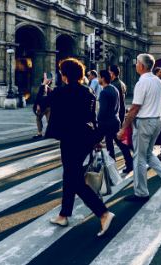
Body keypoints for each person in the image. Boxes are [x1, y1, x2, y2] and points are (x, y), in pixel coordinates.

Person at [42, 59, 115, 236]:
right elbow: (93, 117)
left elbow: (42, 102)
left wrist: (44, 85)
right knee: (70, 174)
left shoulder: (61, 91)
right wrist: (96, 139)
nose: (60, 73)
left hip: (70, 138)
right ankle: (63, 215)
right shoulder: (88, 90)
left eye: (61, 71)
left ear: (65, 74)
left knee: (74, 179)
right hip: (85, 137)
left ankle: (103, 213)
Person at [116, 54, 161, 202]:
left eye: (136, 63)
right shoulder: (158, 81)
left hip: (144, 122)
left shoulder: (142, 83)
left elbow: (135, 108)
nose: (135, 65)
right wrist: (151, 103)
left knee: (138, 159)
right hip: (157, 121)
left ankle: (141, 193)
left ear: (141, 66)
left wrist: (123, 128)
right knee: (148, 154)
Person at [96, 70, 133, 172]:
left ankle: (108, 164)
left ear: (103, 78)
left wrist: (97, 119)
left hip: (105, 123)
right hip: (115, 121)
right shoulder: (115, 89)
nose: (99, 79)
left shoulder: (104, 92)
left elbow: (102, 110)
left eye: (99, 77)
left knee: (94, 141)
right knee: (118, 143)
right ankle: (129, 163)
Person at [33, 73, 54, 139]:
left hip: (42, 107)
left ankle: (40, 133)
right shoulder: (50, 89)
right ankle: (52, 133)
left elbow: (40, 98)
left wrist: (38, 105)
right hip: (49, 107)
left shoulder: (42, 88)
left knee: (38, 119)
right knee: (49, 120)